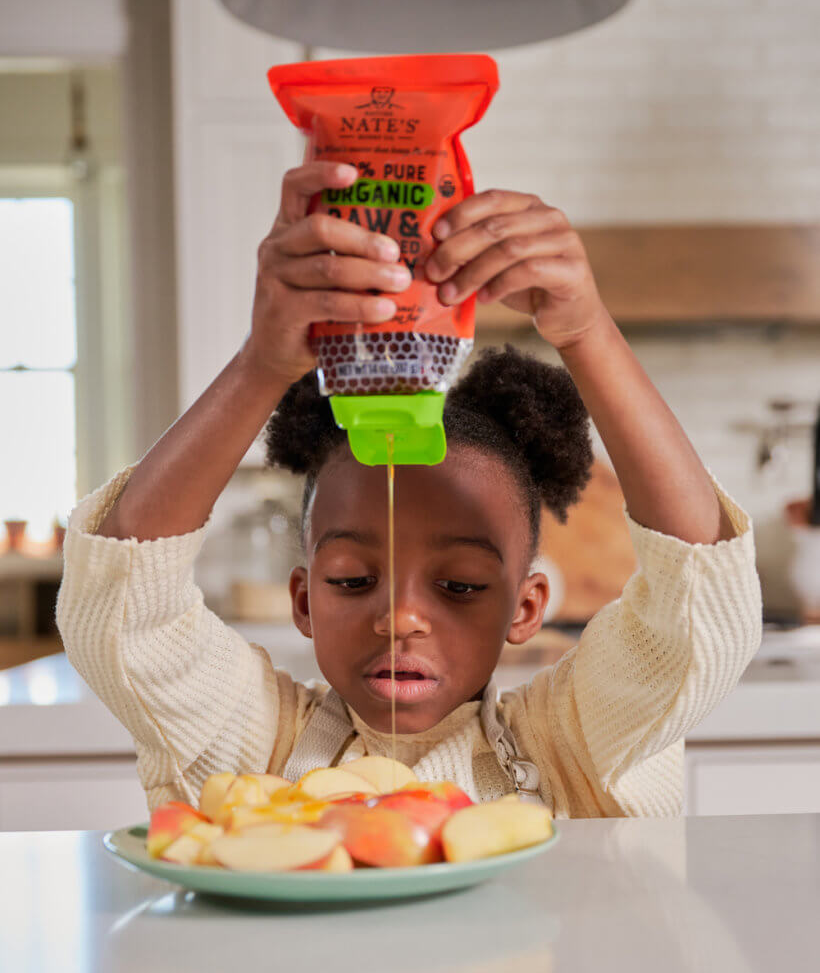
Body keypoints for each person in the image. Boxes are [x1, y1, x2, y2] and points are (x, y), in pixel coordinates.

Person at [56, 161, 762, 817]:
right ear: (304, 599)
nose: (400, 619)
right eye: (354, 579)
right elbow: (124, 607)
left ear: (525, 607)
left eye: (459, 586)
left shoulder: (573, 744)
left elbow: (697, 606)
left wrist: (586, 330)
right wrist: (262, 364)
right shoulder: (256, 745)